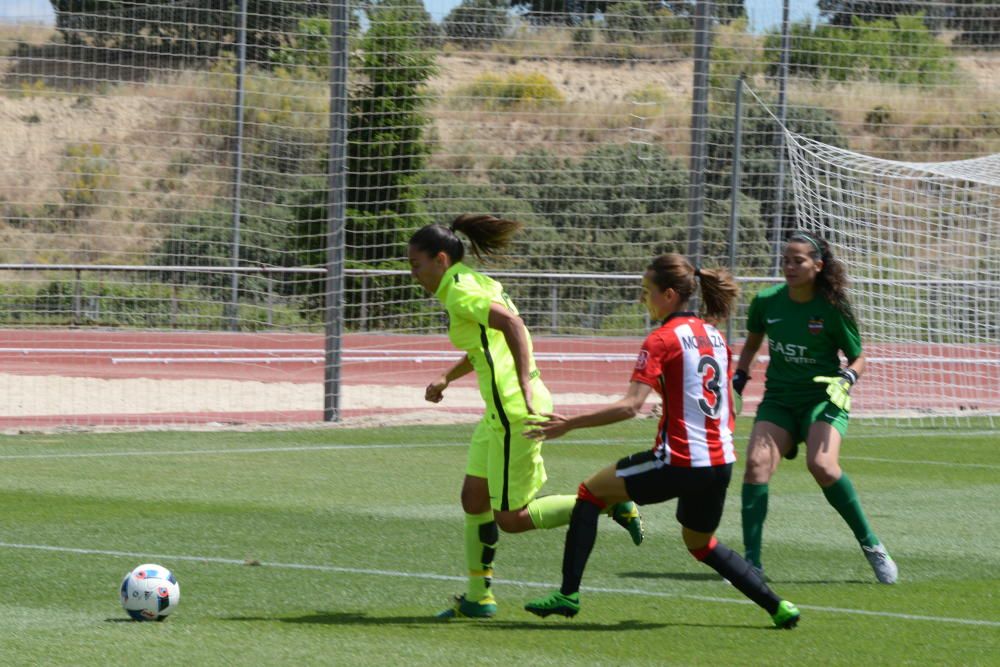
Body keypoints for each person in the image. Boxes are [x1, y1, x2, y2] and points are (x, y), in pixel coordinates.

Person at [522, 253, 800, 629]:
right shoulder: (716, 337)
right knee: (701, 544)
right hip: (720, 463)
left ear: (669, 295)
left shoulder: (661, 339)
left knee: (589, 493)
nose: (643, 299)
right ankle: (778, 606)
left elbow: (629, 406)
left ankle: (568, 594)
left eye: (647, 291)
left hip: (680, 461)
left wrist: (569, 424)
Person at [407, 214, 644, 620]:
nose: (414, 273)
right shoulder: (468, 283)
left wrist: (524, 383)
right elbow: (488, 344)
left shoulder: (461, 293)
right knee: (473, 498)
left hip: (514, 411)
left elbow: (513, 325)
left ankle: (606, 502)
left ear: (440, 260)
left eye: (416, 264)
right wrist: (447, 376)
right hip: (498, 414)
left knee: (512, 519)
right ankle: (479, 597)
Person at [733, 230, 898, 584]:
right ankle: (751, 565)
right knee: (756, 466)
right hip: (778, 401)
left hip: (823, 400)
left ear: (818, 265)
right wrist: (740, 374)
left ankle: (872, 546)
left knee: (822, 465)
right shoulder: (766, 301)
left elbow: (858, 358)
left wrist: (847, 380)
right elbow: (751, 344)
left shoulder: (833, 308)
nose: (789, 267)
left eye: (799, 260)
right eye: (786, 260)